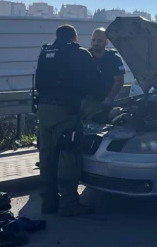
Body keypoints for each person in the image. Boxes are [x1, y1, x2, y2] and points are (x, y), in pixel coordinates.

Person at [35, 24, 101, 216]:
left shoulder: (46, 51)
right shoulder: (79, 53)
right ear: (75, 37)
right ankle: (69, 203)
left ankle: (48, 203)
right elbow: (97, 81)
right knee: (68, 155)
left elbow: (39, 82)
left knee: (46, 157)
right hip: (65, 111)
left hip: (43, 110)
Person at [89, 28, 125, 106]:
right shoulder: (86, 56)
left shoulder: (114, 58)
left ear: (106, 42)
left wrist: (109, 98)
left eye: (99, 41)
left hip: (106, 101)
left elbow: (119, 81)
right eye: (93, 40)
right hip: (87, 101)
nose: (95, 43)